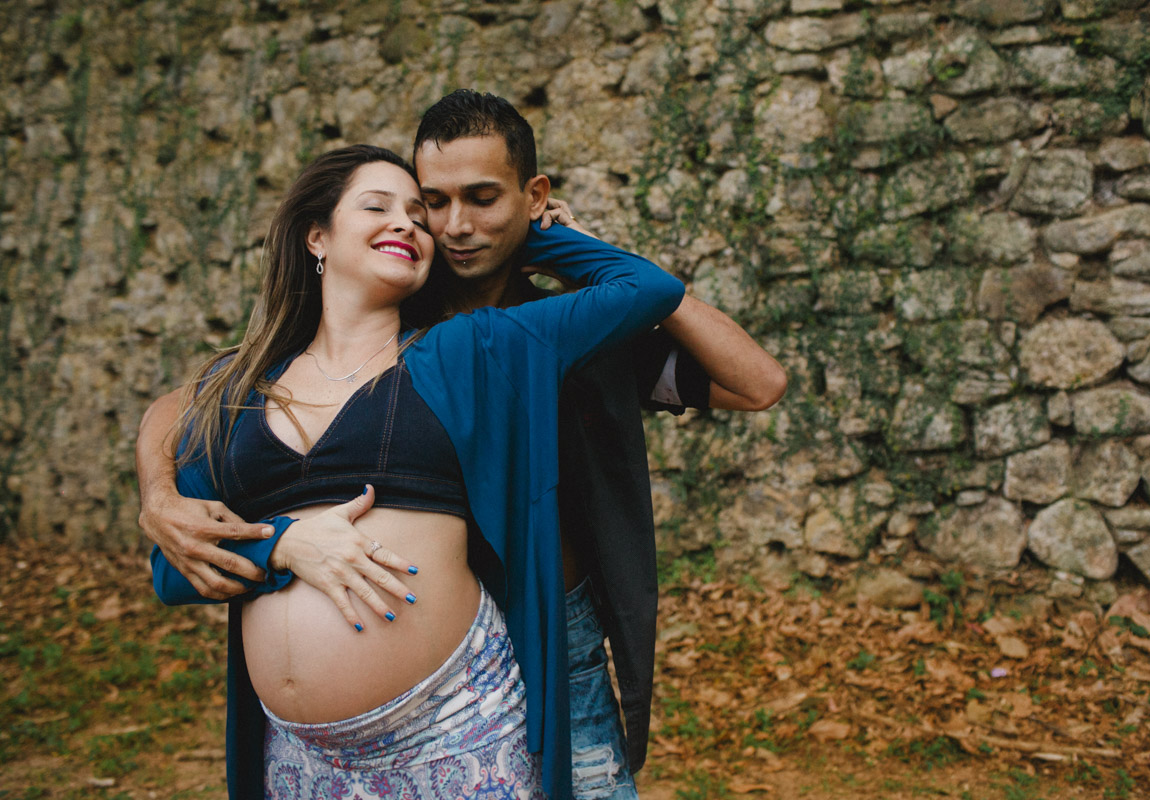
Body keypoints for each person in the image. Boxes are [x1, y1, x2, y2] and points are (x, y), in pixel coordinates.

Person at [139, 91, 786, 799]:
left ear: (534, 195)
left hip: (539, 624)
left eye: (482, 199)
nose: (453, 226)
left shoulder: (551, 329)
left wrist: (568, 250)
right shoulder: (395, 306)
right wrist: (161, 495)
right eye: (432, 203)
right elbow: (198, 403)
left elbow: (755, 383)